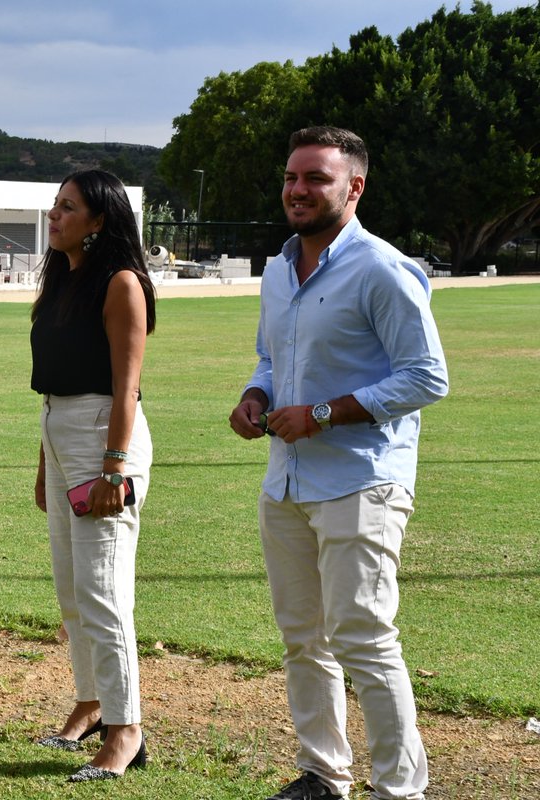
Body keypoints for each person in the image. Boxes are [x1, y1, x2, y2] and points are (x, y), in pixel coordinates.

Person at [228, 126, 448, 800]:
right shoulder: (277, 268)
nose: (298, 190)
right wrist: (256, 392)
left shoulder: (382, 268)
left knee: (363, 638)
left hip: (362, 480)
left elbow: (426, 377)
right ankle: (323, 774)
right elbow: (272, 355)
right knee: (302, 638)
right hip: (287, 478)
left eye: (316, 179)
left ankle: (399, 790)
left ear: (354, 188)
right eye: (293, 177)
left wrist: (325, 413)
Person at [29, 169, 156, 783]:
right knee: (72, 590)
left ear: (100, 220)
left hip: (107, 440)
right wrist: (44, 463)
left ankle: (126, 727)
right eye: (54, 205)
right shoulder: (62, 278)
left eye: (68, 207)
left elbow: (125, 387)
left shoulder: (121, 283)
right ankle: (91, 699)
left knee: (104, 592)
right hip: (63, 439)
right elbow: (55, 383)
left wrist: (113, 467)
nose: (55, 216)